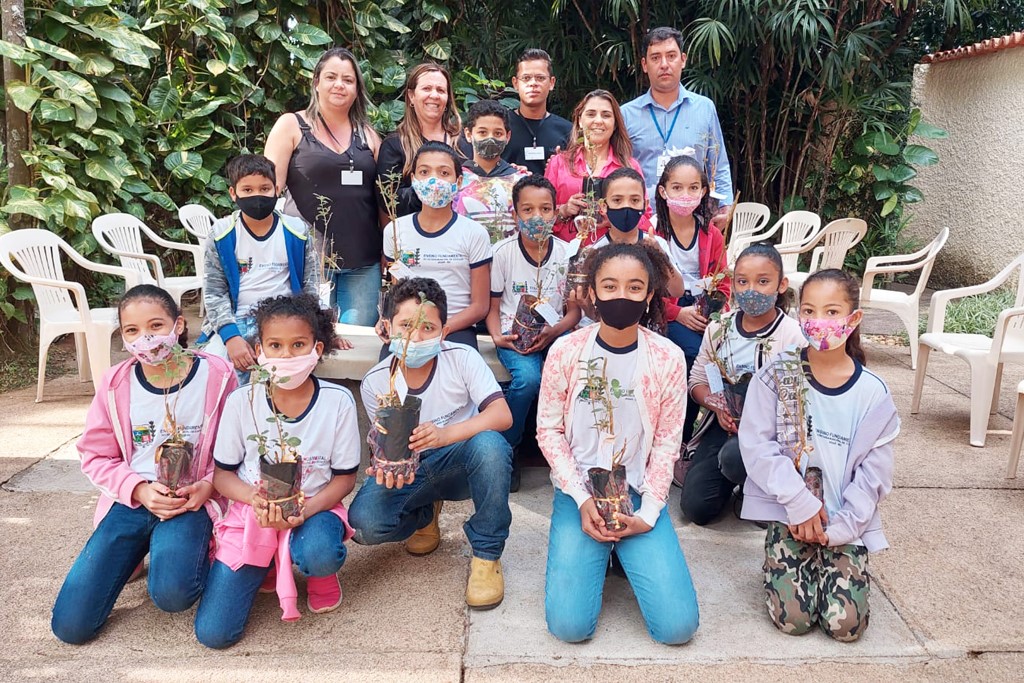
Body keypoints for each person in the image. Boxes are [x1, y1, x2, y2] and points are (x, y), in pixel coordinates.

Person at [52, 285, 237, 644]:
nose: (146, 339)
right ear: (122, 336)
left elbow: (237, 447)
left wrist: (210, 484)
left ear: (179, 325)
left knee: (173, 594)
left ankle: (192, 549)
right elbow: (94, 454)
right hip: (133, 500)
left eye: (156, 326)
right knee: (70, 627)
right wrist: (136, 489)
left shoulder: (217, 375)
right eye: (132, 331)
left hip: (190, 500)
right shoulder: (116, 383)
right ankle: (137, 548)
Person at [536, 243, 700, 644]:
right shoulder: (567, 351)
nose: (620, 296)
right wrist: (580, 497)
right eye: (609, 286)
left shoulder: (668, 357)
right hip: (583, 492)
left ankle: (624, 552)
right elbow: (549, 430)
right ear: (592, 293)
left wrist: (650, 512)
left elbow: (666, 442)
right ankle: (597, 553)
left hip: (638, 492)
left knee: (677, 628)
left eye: (634, 287)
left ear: (648, 296)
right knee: (570, 628)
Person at [739, 269, 899, 642]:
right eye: (809, 311)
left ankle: (833, 566)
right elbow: (757, 445)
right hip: (790, 515)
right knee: (794, 621)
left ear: (853, 318)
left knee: (845, 627)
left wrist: (844, 527)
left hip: (845, 521)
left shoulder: (873, 394)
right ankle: (783, 561)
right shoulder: (778, 374)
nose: (818, 321)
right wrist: (797, 503)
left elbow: (874, 476)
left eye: (832, 312)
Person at [195, 294, 360, 648]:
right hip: (254, 513)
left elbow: (345, 478)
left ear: (317, 348)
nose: (287, 356)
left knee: (318, 550)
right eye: (276, 345)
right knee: (214, 633)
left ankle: (320, 573)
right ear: (259, 350)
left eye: (298, 345)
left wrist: (304, 511)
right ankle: (266, 560)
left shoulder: (338, 402)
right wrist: (255, 499)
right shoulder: (242, 402)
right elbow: (223, 475)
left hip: (315, 508)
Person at [350, 277, 514, 610]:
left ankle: (486, 555)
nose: (416, 336)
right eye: (406, 325)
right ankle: (423, 514)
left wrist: (444, 435)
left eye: (428, 327)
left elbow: (501, 415)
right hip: (415, 469)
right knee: (363, 524)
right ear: (386, 327)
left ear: (443, 330)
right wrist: (386, 465)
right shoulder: (376, 381)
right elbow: (384, 445)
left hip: (460, 461)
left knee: (492, 446)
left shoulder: (462, 358)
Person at [679, 243, 804, 524]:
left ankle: (755, 488)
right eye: (743, 281)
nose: (751, 290)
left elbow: (801, 400)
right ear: (733, 285)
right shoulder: (719, 328)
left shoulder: (792, 336)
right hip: (725, 425)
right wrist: (716, 404)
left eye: (763, 281)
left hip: (772, 436)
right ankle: (740, 482)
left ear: (781, 285)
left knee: (736, 457)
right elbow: (698, 380)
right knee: (697, 508)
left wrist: (757, 423)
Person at [264, 47, 383, 326]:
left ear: (357, 89)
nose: (339, 85)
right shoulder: (291, 126)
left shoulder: (368, 135)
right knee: (308, 335)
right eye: (331, 77)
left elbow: (382, 198)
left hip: (363, 261)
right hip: (308, 259)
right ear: (316, 82)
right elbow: (267, 188)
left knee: (357, 343)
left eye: (348, 79)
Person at [487, 175, 580, 491]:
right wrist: (497, 336)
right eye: (527, 210)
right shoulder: (503, 252)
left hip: (555, 333)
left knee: (574, 375)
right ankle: (508, 448)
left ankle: (568, 451)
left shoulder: (568, 254)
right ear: (514, 214)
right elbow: (492, 305)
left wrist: (554, 332)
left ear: (557, 213)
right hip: (515, 338)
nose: (536, 217)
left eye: (545, 209)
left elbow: (574, 312)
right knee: (528, 380)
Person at [199, 154, 322, 379]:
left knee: (287, 375)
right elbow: (214, 292)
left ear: (276, 189)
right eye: (247, 190)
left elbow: (310, 286)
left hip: (284, 320)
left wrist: (320, 326)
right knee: (214, 373)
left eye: (265, 188)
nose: (257, 196)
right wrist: (231, 337)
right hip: (235, 320)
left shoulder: (297, 231)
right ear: (233, 193)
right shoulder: (221, 234)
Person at [381, 141, 492, 349]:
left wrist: (439, 329)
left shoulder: (474, 233)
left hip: (456, 328)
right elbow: (396, 294)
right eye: (424, 172)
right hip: (407, 330)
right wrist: (387, 320)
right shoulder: (395, 231)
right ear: (413, 179)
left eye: (444, 173)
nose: (434, 180)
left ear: (458, 182)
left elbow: (480, 306)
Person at [653, 155, 730, 443]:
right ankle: (680, 439)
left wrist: (713, 313)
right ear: (663, 191)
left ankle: (706, 432)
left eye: (693, 188)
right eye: (677, 188)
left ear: (703, 192)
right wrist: (676, 313)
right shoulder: (654, 233)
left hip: (703, 311)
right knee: (695, 357)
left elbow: (723, 283)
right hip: (667, 312)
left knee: (720, 358)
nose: (685, 196)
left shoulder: (711, 235)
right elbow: (648, 289)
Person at [622, 27, 734, 219]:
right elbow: (619, 168)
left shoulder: (704, 108)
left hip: (695, 217)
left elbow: (718, 163)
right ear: (644, 64)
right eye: (655, 58)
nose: (664, 64)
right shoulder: (626, 114)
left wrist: (725, 205)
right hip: (643, 220)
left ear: (683, 60)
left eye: (671, 56)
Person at [545, 90, 646, 246]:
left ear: (615, 124)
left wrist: (617, 219)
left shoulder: (629, 166)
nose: (598, 121)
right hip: (565, 256)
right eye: (591, 114)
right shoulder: (559, 163)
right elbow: (540, 214)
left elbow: (645, 218)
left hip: (615, 255)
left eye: (606, 115)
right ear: (579, 120)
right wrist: (564, 211)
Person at [378, 63, 463, 218]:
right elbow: (388, 201)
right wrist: (431, 189)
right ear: (411, 96)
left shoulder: (464, 143)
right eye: (426, 88)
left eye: (441, 90)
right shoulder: (395, 145)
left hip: (463, 236)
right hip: (416, 236)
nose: (434, 95)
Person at [588, 167, 684, 298]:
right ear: (603, 206)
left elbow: (677, 291)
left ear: (645, 204)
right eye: (617, 200)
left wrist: (660, 255)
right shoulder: (596, 250)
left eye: (634, 200)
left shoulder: (657, 245)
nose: (626, 206)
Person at [453, 100, 529, 242]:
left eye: (498, 133)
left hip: (509, 260)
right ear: (469, 134)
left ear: (508, 136)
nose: (490, 138)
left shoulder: (521, 181)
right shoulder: (456, 180)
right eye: (482, 132)